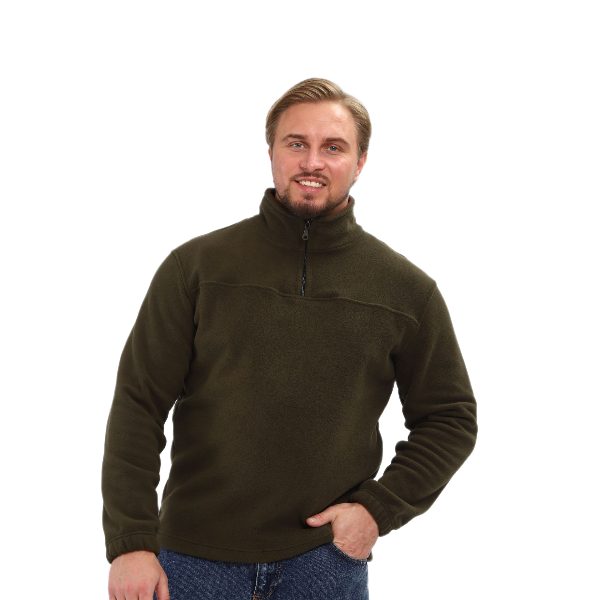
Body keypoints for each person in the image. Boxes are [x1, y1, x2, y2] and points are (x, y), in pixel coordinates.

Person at [102, 78, 478, 600]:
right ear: (272, 153)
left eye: (334, 147)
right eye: (296, 143)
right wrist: (131, 542)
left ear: (360, 162)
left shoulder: (406, 290)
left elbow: (451, 417)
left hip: (324, 563)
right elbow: (138, 405)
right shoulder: (197, 268)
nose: (312, 162)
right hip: (192, 562)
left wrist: (376, 510)